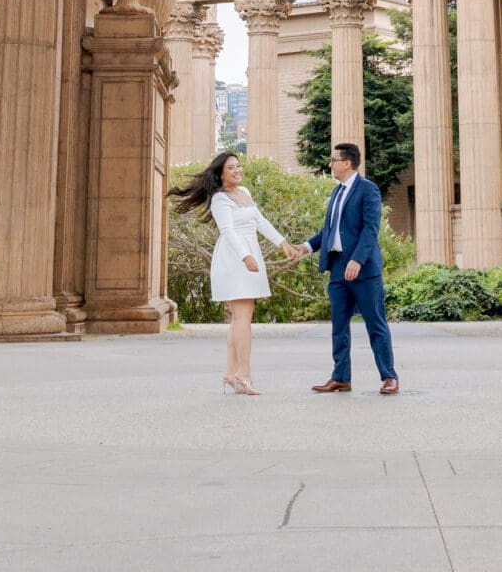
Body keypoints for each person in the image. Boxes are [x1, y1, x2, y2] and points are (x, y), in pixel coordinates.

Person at [171, 152, 294, 395]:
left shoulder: (245, 192)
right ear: (220, 174)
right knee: (243, 317)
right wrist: (245, 256)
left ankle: (231, 372)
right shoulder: (220, 199)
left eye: (239, 166)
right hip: (234, 258)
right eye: (231, 168)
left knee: (241, 317)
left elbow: (260, 222)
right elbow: (228, 231)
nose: (237, 170)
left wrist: (284, 244)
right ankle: (243, 375)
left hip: (250, 255)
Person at [304, 142, 398, 395]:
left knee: (375, 323)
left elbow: (370, 229)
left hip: (364, 270)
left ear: (347, 163)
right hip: (336, 268)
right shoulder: (337, 192)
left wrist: (357, 260)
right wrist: (305, 246)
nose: (330, 164)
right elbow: (330, 230)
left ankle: (389, 376)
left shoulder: (368, 190)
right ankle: (341, 377)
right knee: (339, 325)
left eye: (334, 160)